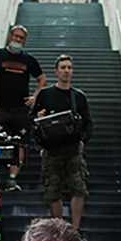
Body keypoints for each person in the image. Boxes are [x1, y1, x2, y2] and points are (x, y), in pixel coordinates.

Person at [32, 54, 92, 229]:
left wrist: (83, 141)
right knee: (53, 191)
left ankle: (75, 229)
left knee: (79, 189)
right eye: (63, 67)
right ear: (56, 71)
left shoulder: (79, 97)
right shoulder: (45, 94)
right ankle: (59, 229)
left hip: (73, 149)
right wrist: (40, 139)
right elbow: (33, 121)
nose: (66, 71)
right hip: (51, 150)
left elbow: (88, 123)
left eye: (69, 67)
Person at [0, 25, 46, 186]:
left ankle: (12, 179)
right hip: (1, 109)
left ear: (24, 41)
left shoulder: (29, 59)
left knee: (20, 143)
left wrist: (35, 96)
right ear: (10, 36)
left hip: (21, 111)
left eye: (21, 38)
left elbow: (42, 79)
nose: (17, 40)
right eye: (16, 36)